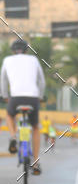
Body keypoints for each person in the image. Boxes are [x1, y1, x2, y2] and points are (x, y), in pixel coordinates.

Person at [0, 38, 45, 174]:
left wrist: (5, 96)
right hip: (32, 98)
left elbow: (3, 80)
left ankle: (13, 136)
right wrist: (40, 96)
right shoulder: (34, 60)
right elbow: (41, 81)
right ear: (26, 50)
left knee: (9, 115)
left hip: (15, 98)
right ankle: (36, 163)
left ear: (13, 50)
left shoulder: (7, 60)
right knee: (36, 127)